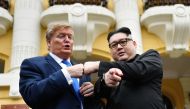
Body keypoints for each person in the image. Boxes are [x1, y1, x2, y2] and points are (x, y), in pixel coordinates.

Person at [83, 27, 165, 109]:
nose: (119, 47)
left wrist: (98, 65)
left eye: (123, 42)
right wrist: (101, 84)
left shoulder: (151, 56)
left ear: (134, 44)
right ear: (110, 51)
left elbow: (138, 70)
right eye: (114, 45)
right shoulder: (109, 72)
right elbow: (99, 92)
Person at [19, 24, 98, 109]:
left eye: (70, 37)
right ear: (49, 42)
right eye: (61, 36)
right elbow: (31, 96)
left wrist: (92, 93)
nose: (67, 40)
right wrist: (66, 74)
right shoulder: (33, 64)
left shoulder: (81, 69)